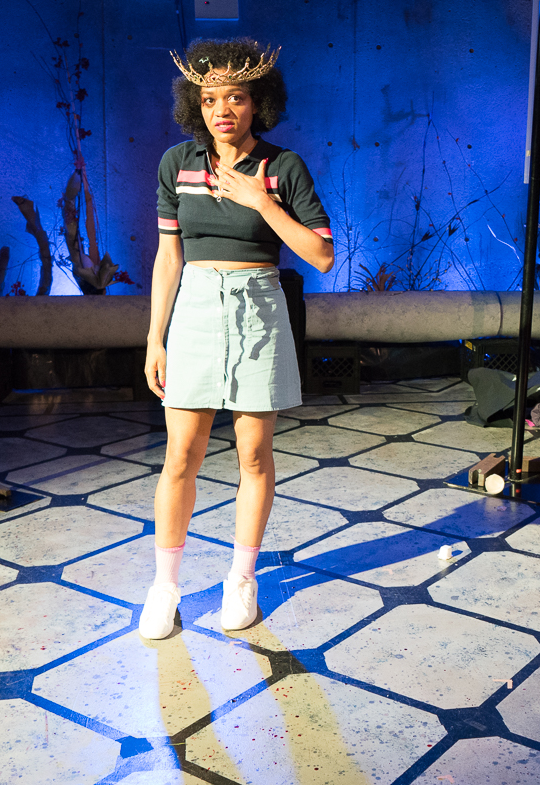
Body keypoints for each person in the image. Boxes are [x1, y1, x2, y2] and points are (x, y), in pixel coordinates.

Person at [140, 39, 334, 640]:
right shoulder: (177, 163)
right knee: (181, 456)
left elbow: (322, 255)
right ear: (193, 105)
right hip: (196, 308)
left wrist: (260, 201)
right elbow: (168, 257)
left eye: (236, 97)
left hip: (259, 307)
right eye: (209, 99)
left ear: (258, 103)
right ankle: (164, 587)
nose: (221, 109)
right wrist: (155, 339)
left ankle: (241, 580)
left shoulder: (283, 166)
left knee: (253, 455)